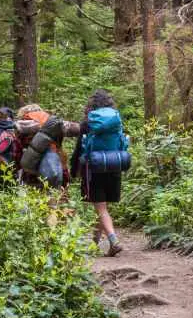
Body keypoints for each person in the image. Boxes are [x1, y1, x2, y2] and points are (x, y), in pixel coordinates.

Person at [71, 90, 127, 257]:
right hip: (114, 165)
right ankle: (95, 243)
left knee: (101, 208)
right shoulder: (116, 120)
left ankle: (113, 240)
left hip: (94, 168)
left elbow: (79, 148)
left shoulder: (88, 122)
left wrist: (75, 170)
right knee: (102, 208)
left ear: (92, 105)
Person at [16, 104, 80, 188]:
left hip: (31, 168)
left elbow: (18, 150)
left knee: (33, 195)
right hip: (55, 165)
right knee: (56, 193)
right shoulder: (53, 124)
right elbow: (76, 129)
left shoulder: (22, 126)